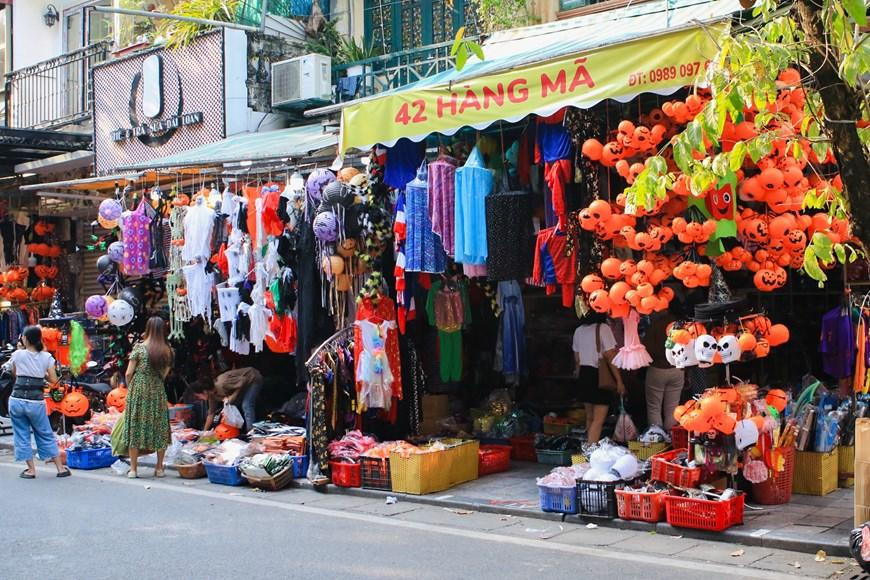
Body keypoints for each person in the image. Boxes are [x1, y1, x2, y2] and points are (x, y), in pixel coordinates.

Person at [7, 326, 70, 478]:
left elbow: (14, 373)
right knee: (45, 433)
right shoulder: (46, 357)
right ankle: (60, 469)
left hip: (17, 400)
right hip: (36, 402)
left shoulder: (17, 354)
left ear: (26, 339)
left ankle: (31, 470)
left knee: (21, 435)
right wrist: (42, 375)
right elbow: (54, 380)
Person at [121, 317, 173, 479]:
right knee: (160, 426)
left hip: (139, 389)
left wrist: (131, 387)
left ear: (148, 329)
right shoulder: (168, 351)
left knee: (135, 425)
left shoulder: (139, 348)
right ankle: (159, 468)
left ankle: (133, 469)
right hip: (157, 389)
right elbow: (164, 374)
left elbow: (128, 373)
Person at [573, 312, 624, 444]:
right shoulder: (603, 328)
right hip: (600, 375)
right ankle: (591, 449)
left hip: (584, 374)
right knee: (598, 420)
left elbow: (577, 359)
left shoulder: (578, 331)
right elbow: (610, 356)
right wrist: (619, 380)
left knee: (590, 417)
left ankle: (587, 447)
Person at [643, 306, 686, 430]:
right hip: (677, 369)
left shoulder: (654, 326)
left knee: (654, 407)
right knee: (672, 408)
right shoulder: (678, 325)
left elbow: (647, 347)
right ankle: (672, 436)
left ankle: (657, 436)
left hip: (657, 369)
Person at [193, 366, 263, 432]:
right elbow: (211, 413)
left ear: (204, 391)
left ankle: (251, 431)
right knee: (233, 406)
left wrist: (232, 396)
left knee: (246, 405)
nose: (199, 398)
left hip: (252, 378)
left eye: (198, 396)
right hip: (242, 386)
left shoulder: (222, 384)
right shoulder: (212, 396)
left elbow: (243, 380)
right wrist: (204, 432)